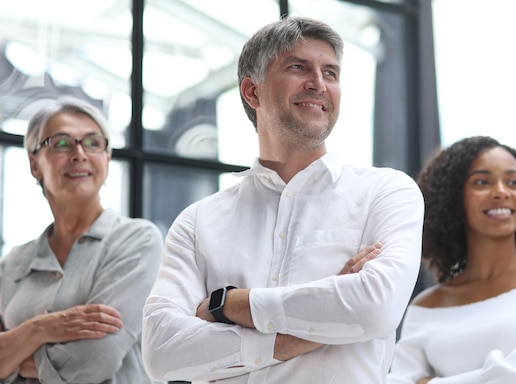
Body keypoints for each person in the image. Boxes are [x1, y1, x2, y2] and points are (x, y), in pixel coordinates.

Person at [141, 16, 424, 384]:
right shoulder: (197, 222)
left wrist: (230, 304)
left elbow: (374, 308)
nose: (319, 84)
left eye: (331, 73)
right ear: (252, 91)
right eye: (298, 67)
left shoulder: (386, 192)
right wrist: (303, 329)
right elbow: (162, 352)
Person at [387, 136, 516, 384]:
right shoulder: (426, 306)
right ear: (453, 198)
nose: (501, 192)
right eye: (482, 182)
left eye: (513, 182)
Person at [0, 97, 163, 383]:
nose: (79, 154)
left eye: (92, 142)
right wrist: (40, 328)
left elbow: (96, 359)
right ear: (35, 164)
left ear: (107, 158)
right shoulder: (13, 262)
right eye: (61, 143)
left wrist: (15, 352)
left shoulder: (137, 241)